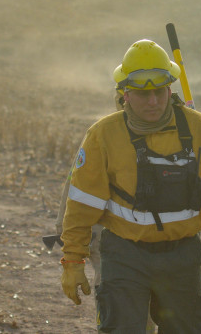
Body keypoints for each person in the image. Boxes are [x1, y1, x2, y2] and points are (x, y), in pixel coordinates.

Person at [59, 39, 201, 333]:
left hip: (181, 256)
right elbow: (82, 204)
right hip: (124, 254)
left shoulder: (198, 127)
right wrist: (73, 260)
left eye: (159, 92)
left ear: (169, 89)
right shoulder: (103, 135)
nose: (153, 102)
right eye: (142, 94)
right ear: (125, 94)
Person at [55, 89, 157, 334]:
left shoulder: (176, 135)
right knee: (120, 309)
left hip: (159, 246)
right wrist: (73, 253)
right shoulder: (104, 136)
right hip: (110, 242)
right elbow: (76, 191)